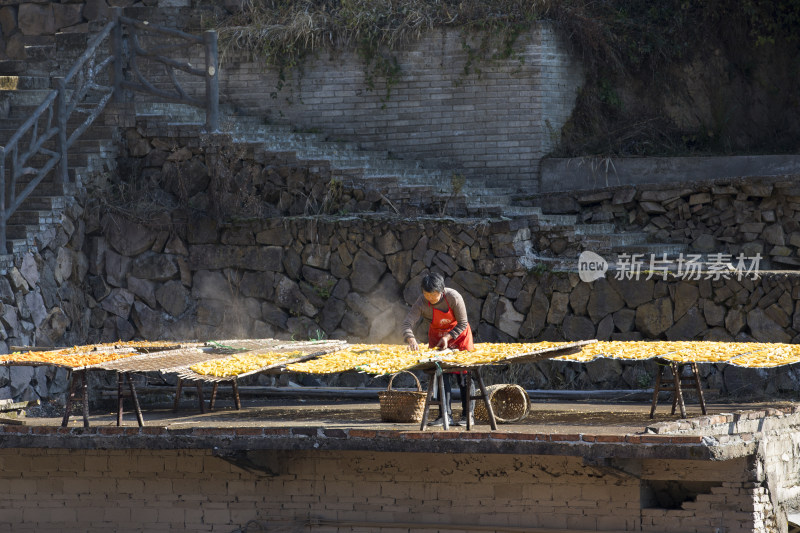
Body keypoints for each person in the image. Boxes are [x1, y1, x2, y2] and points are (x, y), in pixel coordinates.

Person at [401, 271, 474, 426]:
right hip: (437, 338)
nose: (430, 298)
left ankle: (467, 415)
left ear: (441, 291)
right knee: (442, 375)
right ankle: (444, 415)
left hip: (459, 338)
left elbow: (462, 323)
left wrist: (448, 337)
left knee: (463, 376)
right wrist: (411, 338)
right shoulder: (421, 302)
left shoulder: (454, 297)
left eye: (434, 295)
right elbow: (407, 322)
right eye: (427, 295)